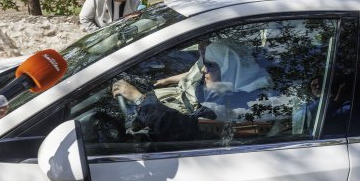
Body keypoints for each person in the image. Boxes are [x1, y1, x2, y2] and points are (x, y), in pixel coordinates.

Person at [112, 40, 273, 141]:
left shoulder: (236, 108)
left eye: (210, 65)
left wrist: (139, 99)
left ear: (229, 69)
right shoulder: (228, 92)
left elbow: (181, 129)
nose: (203, 71)